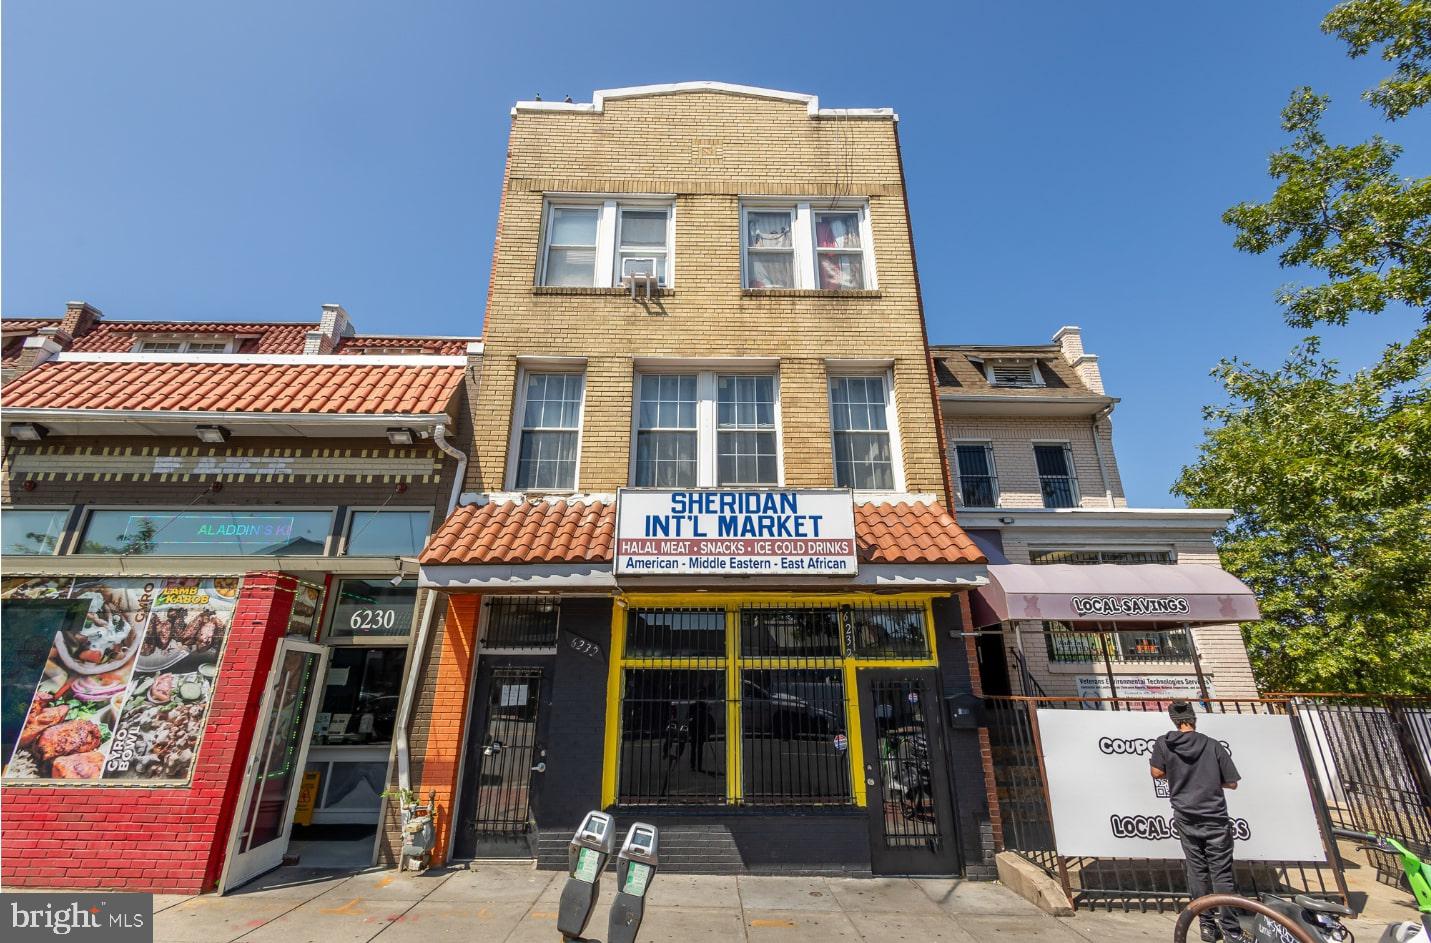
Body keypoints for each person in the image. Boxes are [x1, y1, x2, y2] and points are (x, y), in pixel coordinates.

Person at [1150, 701, 1243, 942]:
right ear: (1195, 720)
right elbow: (1232, 782)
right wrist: (1211, 780)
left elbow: (1156, 772)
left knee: (1197, 870)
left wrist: (1177, 774)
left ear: (1173, 720)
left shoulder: (1164, 743)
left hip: (1185, 815)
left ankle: (1206, 924)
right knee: (1221, 872)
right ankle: (1231, 929)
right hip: (1215, 817)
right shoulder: (1212, 745)